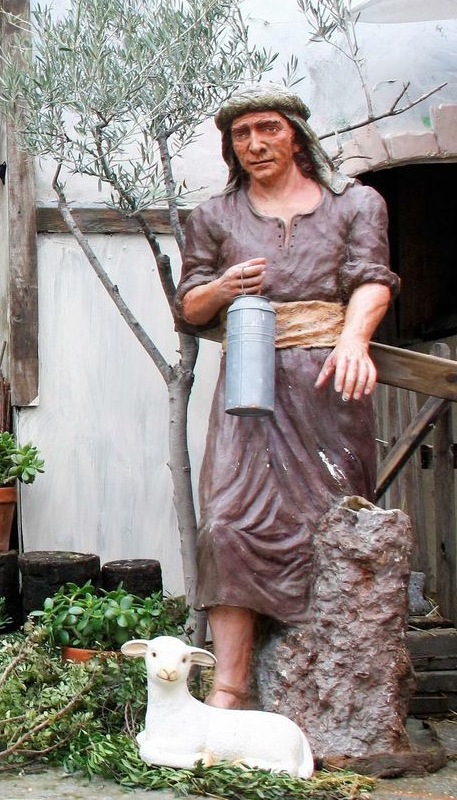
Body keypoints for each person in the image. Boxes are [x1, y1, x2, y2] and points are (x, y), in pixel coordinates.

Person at [176, 85, 399, 710]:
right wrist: (222, 286)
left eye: (267, 129)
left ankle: (341, 689)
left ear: (295, 133)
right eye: (241, 134)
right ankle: (230, 686)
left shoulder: (355, 204)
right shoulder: (216, 217)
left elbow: (372, 280)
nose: (254, 144)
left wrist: (355, 339)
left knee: (334, 522)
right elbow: (189, 307)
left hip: (327, 386)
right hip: (249, 391)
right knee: (226, 525)